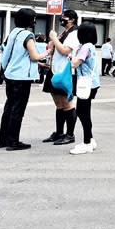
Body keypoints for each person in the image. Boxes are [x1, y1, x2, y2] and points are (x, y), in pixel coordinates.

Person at [0, 8, 47, 151]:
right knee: (18, 110)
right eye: (34, 18)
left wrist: (39, 64)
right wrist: (47, 52)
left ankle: (3, 139)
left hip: (10, 75)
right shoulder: (27, 35)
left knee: (9, 107)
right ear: (30, 20)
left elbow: (15, 55)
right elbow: (33, 56)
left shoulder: (13, 33)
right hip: (22, 78)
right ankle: (13, 141)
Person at [42, 9, 80, 146]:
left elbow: (65, 51)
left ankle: (70, 134)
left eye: (65, 17)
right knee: (58, 102)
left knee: (67, 103)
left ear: (72, 20)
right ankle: (59, 132)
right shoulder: (64, 32)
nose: (62, 19)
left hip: (65, 71)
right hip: (54, 69)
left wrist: (53, 38)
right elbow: (55, 49)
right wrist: (53, 42)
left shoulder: (75, 33)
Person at [69, 22, 100, 155]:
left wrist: (71, 57)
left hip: (85, 84)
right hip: (92, 84)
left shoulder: (85, 47)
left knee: (82, 112)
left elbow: (75, 63)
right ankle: (90, 139)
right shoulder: (91, 46)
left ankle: (86, 143)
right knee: (85, 111)